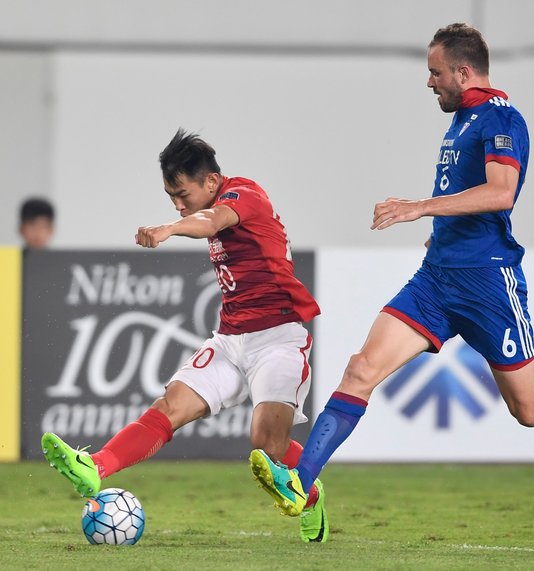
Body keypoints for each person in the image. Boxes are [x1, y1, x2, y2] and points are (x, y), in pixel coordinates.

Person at [250, 23, 534, 518]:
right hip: (436, 280)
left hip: (488, 283)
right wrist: (440, 232)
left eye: (436, 72)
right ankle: (300, 483)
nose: (429, 82)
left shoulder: (501, 118)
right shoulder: (462, 121)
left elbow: (501, 193)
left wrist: (420, 208)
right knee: (360, 368)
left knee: (531, 410)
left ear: (464, 71)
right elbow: (467, 196)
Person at [41, 128, 330, 543]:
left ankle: (311, 494)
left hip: (278, 339)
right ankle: (96, 466)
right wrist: (178, 221)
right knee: (169, 407)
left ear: (211, 181)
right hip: (229, 340)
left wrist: (169, 229)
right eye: (170, 197)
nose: (178, 204)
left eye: (182, 194)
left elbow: (212, 219)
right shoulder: (209, 202)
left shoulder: (245, 194)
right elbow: (205, 218)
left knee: (267, 444)